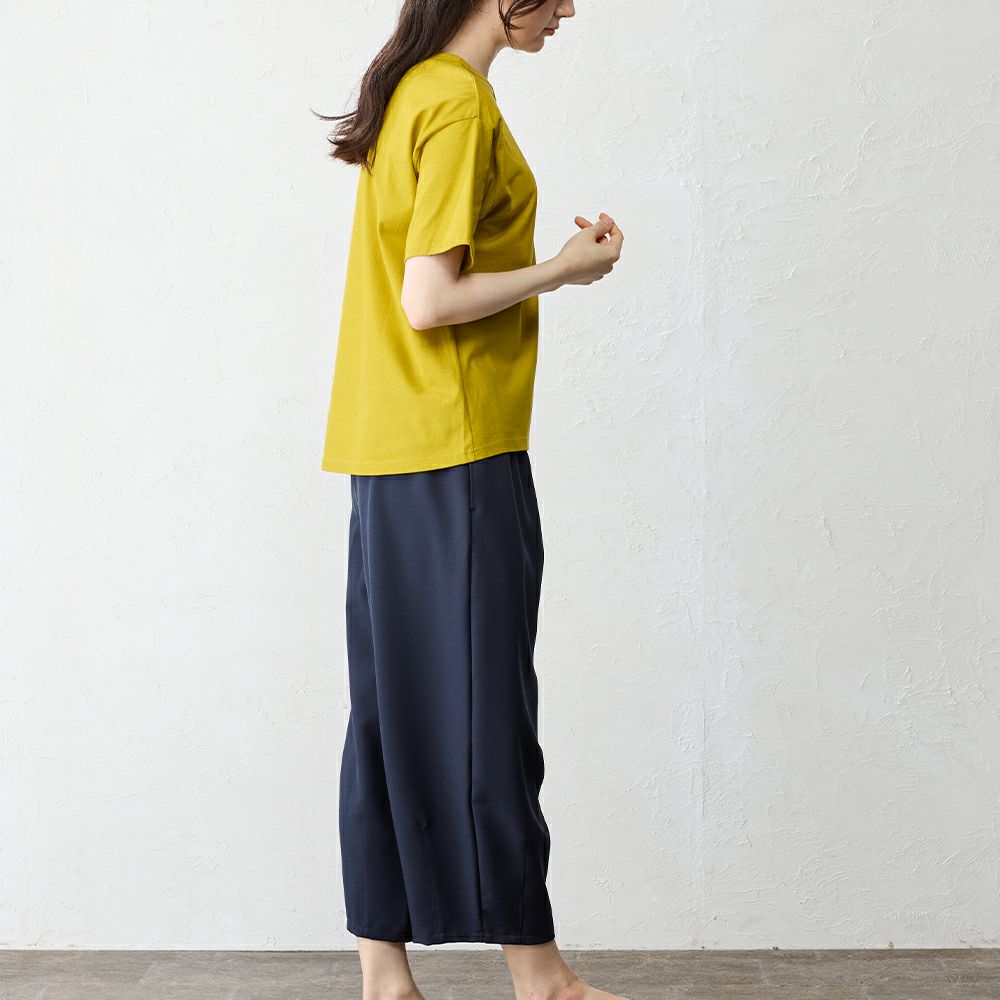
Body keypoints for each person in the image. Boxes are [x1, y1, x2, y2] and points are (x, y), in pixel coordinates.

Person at [314, 2, 625, 998]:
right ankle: (543, 978)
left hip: (388, 443)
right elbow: (429, 300)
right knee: (489, 709)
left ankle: (384, 975)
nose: (569, 7)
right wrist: (561, 271)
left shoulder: (411, 89)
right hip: (456, 445)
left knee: (390, 711)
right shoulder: (454, 102)